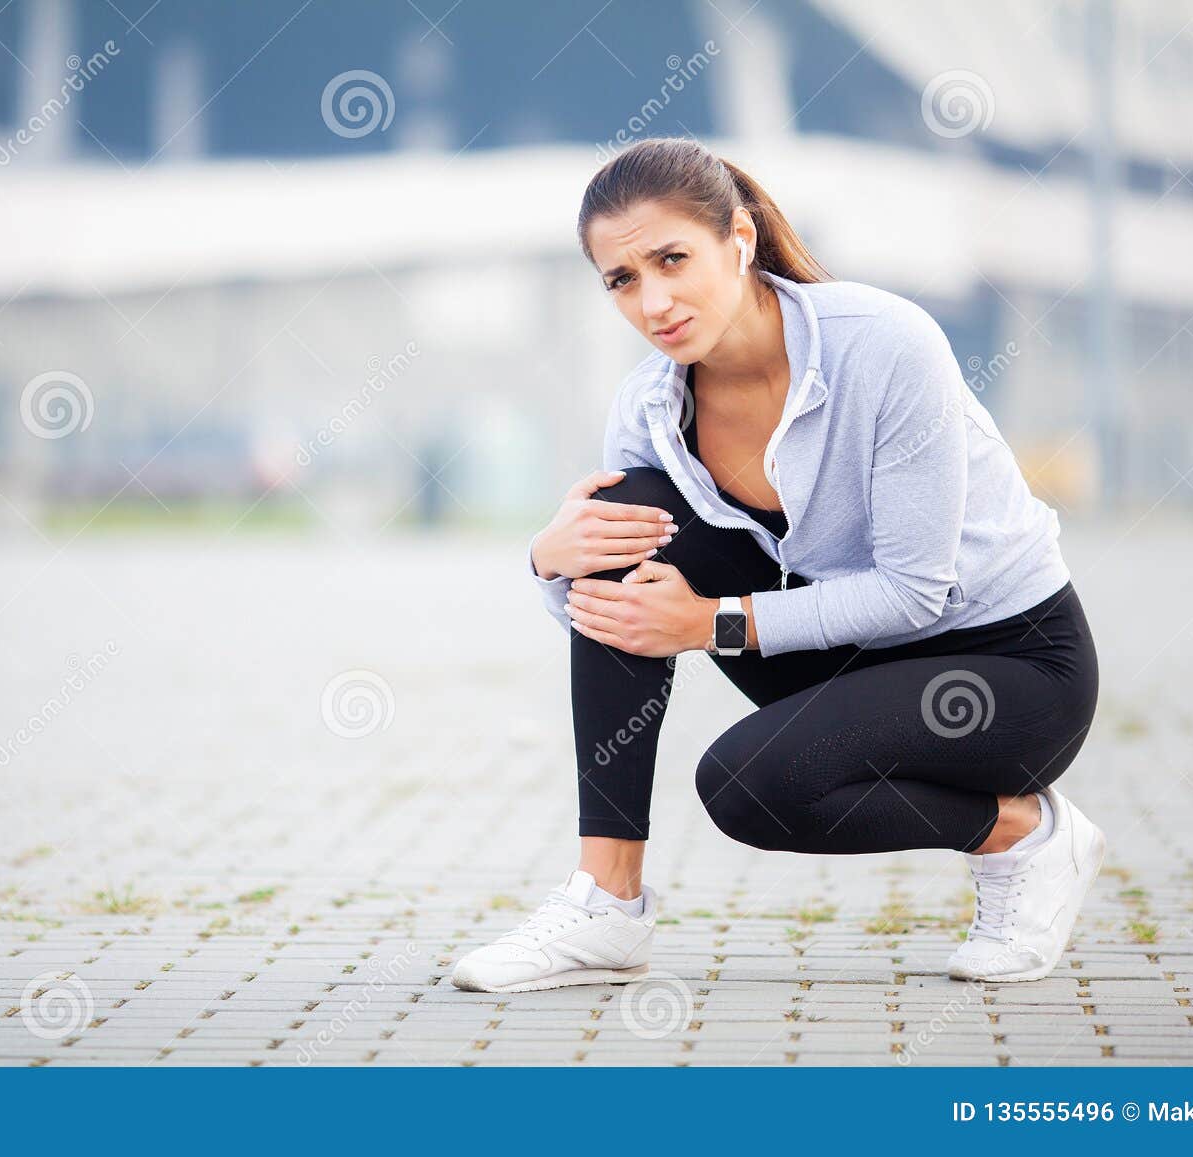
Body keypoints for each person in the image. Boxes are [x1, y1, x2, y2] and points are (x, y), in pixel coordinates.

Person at [449, 137, 1104, 993]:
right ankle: (606, 903)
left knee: (747, 786)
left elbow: (916, 590)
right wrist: (549, 562)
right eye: (622, 280)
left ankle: (1022, 834)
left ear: (741, 239)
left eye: (672, 259)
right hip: (852, 653)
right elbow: (617, 615)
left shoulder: (885, 344)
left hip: (1006, 671)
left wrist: (713, 622)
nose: (654, 301)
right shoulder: (650, 407)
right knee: (623, 514)